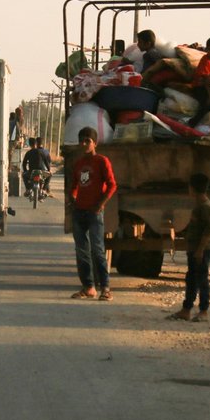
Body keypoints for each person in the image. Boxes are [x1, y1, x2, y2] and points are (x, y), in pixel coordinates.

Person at [66, 127, 116, 301]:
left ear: (95, 143)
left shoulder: (102, 161)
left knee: (98, 250)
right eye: (82, 140)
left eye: (87, 140)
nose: (84, 144)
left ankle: (106, 288)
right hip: (79, 212)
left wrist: (101, 204)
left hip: (94, 213)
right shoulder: (79, 163)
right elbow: (74, 185)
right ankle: (88, 287)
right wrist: (72, 198)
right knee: (81, 251)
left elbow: (112, 185)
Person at [168, 173, 210, 322]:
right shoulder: (199, 206)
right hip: (194, 249)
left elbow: (208, 230)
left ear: (193, 189)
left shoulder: (205, 207)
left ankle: (203, 311)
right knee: (192, 279)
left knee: (202, 279)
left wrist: (200, 250)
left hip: (201, 249)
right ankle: (186, 309)